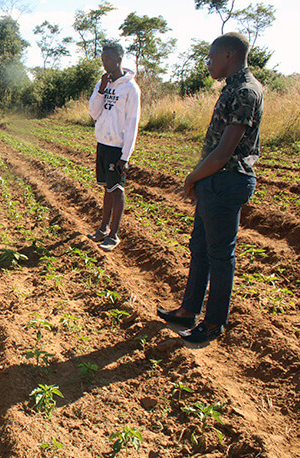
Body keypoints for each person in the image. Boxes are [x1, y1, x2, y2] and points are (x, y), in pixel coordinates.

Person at [157, 32, 263, 343]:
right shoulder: (233, 88)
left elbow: (225, 151)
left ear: (229, 55)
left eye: (211, 57)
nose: (208, 63)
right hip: (214, 181)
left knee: (219, 255)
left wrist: (192, 177)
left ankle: (214, 323)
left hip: (226, 180)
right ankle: (189, 310)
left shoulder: (245, 91)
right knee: (200, 249)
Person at [87, 41, 141, 251]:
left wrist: (125, 156)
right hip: (103, 144)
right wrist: (101, 90)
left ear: (119, 59)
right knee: (107, 189)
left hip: (117, 147)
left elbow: (132, 123)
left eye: (107, 59)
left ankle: (114, 235)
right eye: (102, 59)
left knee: (117, 190)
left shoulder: (131, 89)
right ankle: (103, 228)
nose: (104, 63)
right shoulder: (103, 83)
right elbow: (94, 113)